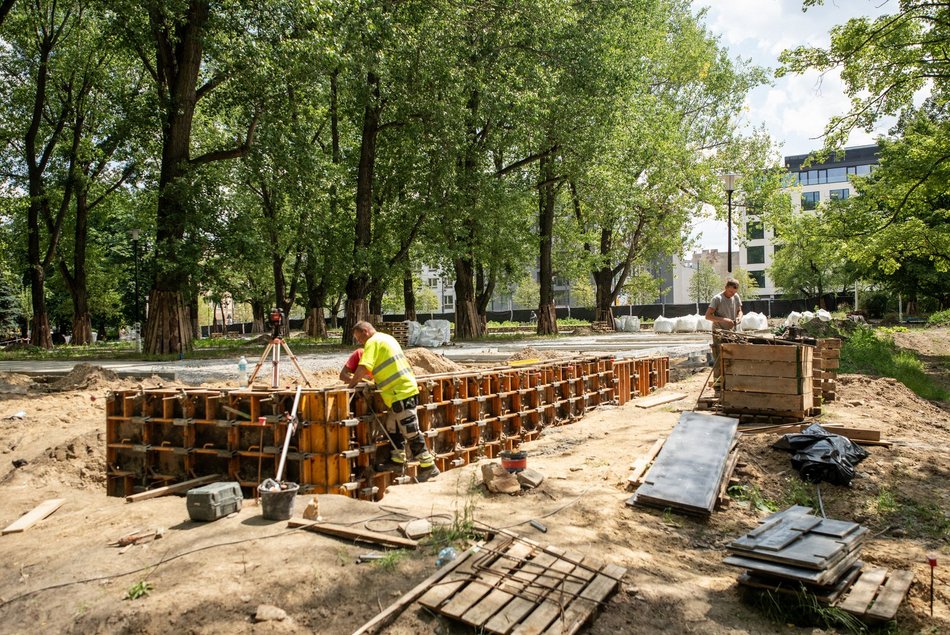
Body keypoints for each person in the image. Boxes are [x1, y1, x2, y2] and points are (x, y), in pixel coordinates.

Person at [347, 321, 438, 478]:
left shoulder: (373, 342)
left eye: (359, 338)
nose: (359, 342)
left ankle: (428, 466)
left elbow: (364, 367)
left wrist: (352, 385)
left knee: (410, 431)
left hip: (401, 392)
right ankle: (397, 461)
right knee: (393, 428)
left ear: (365, 331)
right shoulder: (387, 338)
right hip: (397, 393)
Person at [704, 278, 743, 394]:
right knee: (719, 359)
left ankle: (730, 384)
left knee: (731, 358)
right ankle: (718, 387)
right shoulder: (717, 299)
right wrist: (724, 320)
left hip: (732, 333)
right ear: (726, 287)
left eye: (734, 292)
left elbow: (740, 311)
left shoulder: (736, 297)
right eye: (731, 292)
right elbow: (707, 316)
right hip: (719, 333)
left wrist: (739, 317)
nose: (732, 294)